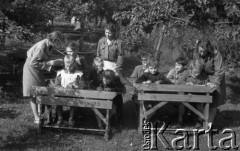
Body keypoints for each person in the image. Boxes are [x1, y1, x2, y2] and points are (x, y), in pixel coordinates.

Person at [23, 31, 65, 124]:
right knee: (33, 93)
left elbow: (44, 58)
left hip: (38, 69)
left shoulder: (49, 45)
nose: (60, 44)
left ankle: (41, 113)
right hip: (31, 69)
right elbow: (33, 63)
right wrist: (50, 63)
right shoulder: (42, 46)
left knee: (40, 92)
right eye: (60, 42)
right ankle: (36, 117)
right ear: (55, 40)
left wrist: (53, 61)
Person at [194, 39, 226, 127]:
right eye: (200, 51)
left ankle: (209, 124)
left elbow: (219, 70)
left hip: (215, 77)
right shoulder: (196, 54)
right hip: (203, 77)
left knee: (214, 100)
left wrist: (214, 83)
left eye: (203, 52)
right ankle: (201, 119)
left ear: (208, 49)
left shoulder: (216, 54)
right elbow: (196, 67)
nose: (201, 53)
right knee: (201, 98)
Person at [54, 55, 86, 127]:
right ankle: (60, 117)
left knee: (73, 101)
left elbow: (82, 85)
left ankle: (71, 118)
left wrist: (75, 86)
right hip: (61, 94)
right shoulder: (60, 73)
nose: (68, 68)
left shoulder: (78, 74)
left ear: (74, 64)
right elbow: (57, 85)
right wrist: (62, 88)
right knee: (57, 100)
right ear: (64, 64)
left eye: (70, 66)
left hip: (73, 95)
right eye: (67, 66)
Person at [186, 59, 210, 128]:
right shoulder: (187, 75)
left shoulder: (203, 76)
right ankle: (191, 118)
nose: (196, 74)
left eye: (197, 73)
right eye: (194, 73)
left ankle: (199, 121)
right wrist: (187, 84)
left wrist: (207, 84)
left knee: (199, 107)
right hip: (189, 96)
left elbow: (206, 83)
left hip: (199, 96)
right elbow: (181, 82)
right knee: (190, 106)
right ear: (191, 70)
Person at [166, 57, 189, 128]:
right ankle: (169, 118)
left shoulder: (187, 72)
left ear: (184, 66)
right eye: (176, 65)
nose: (176, 67)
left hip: (183, 94)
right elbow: (167, 79)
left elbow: (188, 81)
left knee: (181, 103)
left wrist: (181, 83)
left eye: (179, 65)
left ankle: (180, 121)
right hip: (172, 92)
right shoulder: (172, 71)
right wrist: (177, 82)